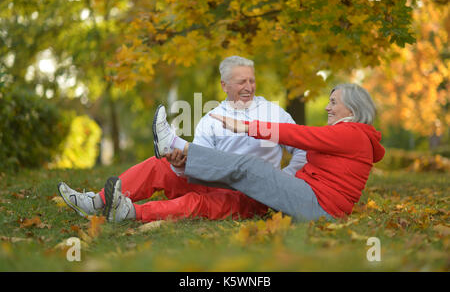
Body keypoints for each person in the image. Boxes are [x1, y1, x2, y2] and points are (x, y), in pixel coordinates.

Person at [58, 56, 307, 223]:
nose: (249, 86)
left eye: (252, 80)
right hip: (219, 182)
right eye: (242, 81)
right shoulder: (212, 118)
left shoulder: (273, 113)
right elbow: (203, 168)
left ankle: (130, 212)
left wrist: (287, 177)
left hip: (254, 194)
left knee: (196, 202)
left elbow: (302, 151)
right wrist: (179, 164)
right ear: (224, 85)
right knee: (159, 165)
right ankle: (97, 202)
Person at [114, 83, 385, 222]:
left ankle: (175, 145)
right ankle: (131, 209)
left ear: (352, 107)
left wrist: (246, 127)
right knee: (235, 187)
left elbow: (300, 136)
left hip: (318, 206)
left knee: (249, 168)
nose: (327, 107)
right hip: (308, 199)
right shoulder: (351, 135)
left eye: (333, 102)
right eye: (328, 101)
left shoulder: (353, 133)